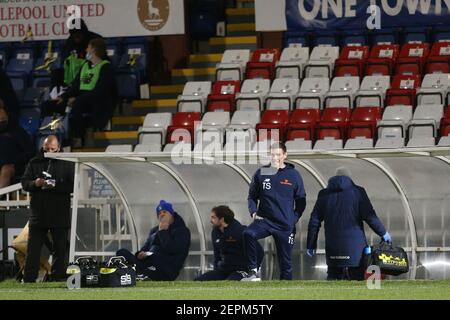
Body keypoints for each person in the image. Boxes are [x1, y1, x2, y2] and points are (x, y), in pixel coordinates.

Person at [306, 167, 392, 281]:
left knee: (333, 281)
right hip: (356, 249)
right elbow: (370, 216)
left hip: (333, 248)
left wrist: (311, 244)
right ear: (349, 178)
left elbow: (314, 221)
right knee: (357, 281)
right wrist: (383, 233)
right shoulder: (358, 192)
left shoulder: (323, 194)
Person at [242, 142, 306, 280]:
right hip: (264, 221)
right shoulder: (261, 172)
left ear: (284, 155)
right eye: (272, 154)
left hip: (285, 224)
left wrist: (293, 219)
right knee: (248, 234)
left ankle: (286, 291)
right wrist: (253, 212)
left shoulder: (294, 175)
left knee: (285, 263)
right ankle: (253, 271)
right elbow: (252, 196)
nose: (275, 158)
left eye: (278, 154)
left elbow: (301, 200)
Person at [21, 135, 75, 282]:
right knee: (33, 249)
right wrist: (36, 183)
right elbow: (25, 183)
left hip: (59, 213)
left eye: (52, 149)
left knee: (60, 248)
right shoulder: (34, 162)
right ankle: (29, 279)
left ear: (59, 147)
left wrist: (55, 185)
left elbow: (72, 186)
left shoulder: (67, 162)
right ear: (42, 146)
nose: (49, 151)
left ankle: (58, 277)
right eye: (47, 148)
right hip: (38, 214)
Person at [58, 37, 116, 147]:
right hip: (82, 97)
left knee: (77, 103)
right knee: (52, 104)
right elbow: (75, 86)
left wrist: (77, 98)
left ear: (94, 50)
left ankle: (78, 136)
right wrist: (63, 96)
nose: (86, 50)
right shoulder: (85, 65)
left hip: (96, 99)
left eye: (88, 47)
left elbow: (100, 90)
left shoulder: (105, 67)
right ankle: (55, 135)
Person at [116, 200, 191, 281]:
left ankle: (138, 274)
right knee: (121, 253)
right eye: (159, 213)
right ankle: (135, 274)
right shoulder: (154, 231)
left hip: (165, 270)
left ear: (171, 214)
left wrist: (163, 231)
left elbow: (172, 249)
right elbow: (145, 249)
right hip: (148, 264)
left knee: (151, 264)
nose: (162, 214)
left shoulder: (182, 231)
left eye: (164, 212)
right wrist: (139, 255)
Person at [195, 205, 264, 281]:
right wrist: (216, 270)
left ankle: (250, 279)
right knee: (199, 280)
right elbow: (217, 255)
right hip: (225, 269)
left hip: (241, 269)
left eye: (213, 217)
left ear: (222, 219)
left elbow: (259, 251)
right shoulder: (215, 232)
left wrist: (252, 272)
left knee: (229, 282)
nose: (211, 220)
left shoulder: (241, 232)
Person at [0, 108, 34, 189]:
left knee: (6, 169)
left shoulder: (18, 131)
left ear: (7, 117)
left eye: (3, 119)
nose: (1, 121)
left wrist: (13, 161)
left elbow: (30, 151)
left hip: (16, 165)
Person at [62, 18, 102, 86]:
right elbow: (66, 59)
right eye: (74, 36)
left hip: (91, 72)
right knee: (57, 70)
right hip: (75, 75)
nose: (76, 39)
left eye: (78, 35)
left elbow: (99, 59)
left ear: (83, 33)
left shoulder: (96, 40)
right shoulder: (69, 42)